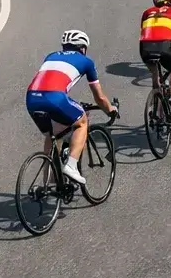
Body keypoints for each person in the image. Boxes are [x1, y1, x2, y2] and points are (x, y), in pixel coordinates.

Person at [26, 30, 118, 186]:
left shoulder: (50, 56)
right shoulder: (86, 61)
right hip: (54, 98)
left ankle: (49, 180)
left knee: (52, 134)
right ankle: (71, 166)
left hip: (31, 98)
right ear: (83, 48)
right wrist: (110, 110)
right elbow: (99, 97)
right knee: (81, 121)